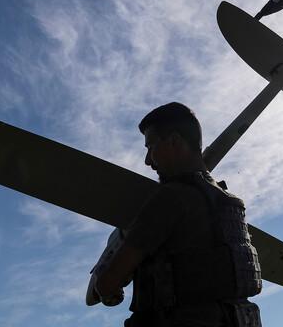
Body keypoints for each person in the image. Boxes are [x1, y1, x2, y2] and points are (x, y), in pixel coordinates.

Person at [94, 102, 262, 327]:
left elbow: (107, 283)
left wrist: (104, 285)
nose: (148, 160)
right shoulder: (230, 204)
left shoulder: (170, 198)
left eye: (150, 147)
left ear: (174, 141)